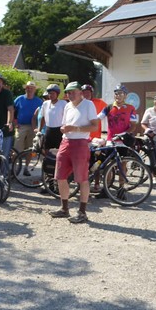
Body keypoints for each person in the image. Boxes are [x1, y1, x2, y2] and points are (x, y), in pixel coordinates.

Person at [49, 81, 99, 224]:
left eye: (73, 92)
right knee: (60, 176)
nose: (70, 94)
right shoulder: (67, 106)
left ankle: (82, 212)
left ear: (80, 92)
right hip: (66, 142)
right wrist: (64, 129)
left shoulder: (88, 104)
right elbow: (66, 125)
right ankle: (64, 208)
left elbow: (94, 126)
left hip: (80, 143)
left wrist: (75, 129)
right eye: (68, 92)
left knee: (82, 178)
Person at [13, 80, 41, 154]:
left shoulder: (39, 101)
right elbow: (12, 110)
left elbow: (42, 115)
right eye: (28, 88)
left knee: (31, 148)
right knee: (17, 147)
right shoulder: (19, 99)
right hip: (21, 126)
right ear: (25, 89)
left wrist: (39, 128)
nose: (30, 89)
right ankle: (15, 164)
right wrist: (15, 122)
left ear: (35, 90)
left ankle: (27, 165)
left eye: (32, 88)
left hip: (33, 127)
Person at [37, 84, 66, 154]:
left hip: (59, 130)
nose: (51, 95)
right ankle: (47, 163)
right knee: (46, 149)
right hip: (49, 129)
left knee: (60, 151)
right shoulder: (45, 103)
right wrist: (39, 130)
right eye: (49, 93)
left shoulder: (63, 103)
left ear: (57, 94)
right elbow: (43, 117)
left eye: (53, 93)